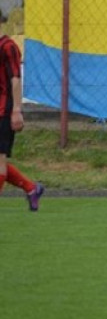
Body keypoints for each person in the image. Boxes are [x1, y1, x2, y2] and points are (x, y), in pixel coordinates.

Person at [0, 24, 44, 211]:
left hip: (3, 111)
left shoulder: (8, 46)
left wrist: (17, 110)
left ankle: (31, 188)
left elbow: (15, 79)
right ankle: (31, 188)